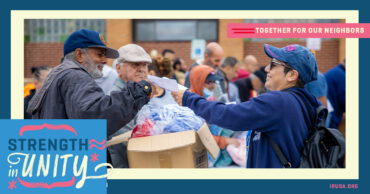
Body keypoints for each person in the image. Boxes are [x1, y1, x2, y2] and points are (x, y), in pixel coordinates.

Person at [172, 44, 321, 168]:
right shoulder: (305, 102)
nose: (266, 69)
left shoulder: (279, 102)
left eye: (274, 64)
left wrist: (188, 98)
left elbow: (228, 115)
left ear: (292, 75)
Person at [27, 29, 153, 138]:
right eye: (100, 54)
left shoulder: (62, 74)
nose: (105, 60)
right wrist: (139, 91)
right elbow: (96, 117)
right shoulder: (75, 76)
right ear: (79, 55)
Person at [108, 44, 176, 167]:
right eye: (135, 64)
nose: (141, 69)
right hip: (127, 175)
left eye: (144, 64)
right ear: (118, 68)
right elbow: (128, 143)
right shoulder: (116, 98)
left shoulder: (139, 93)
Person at [325, 60, 345, 131]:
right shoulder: (341, 75)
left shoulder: (334, 72)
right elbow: (344, 99)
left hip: (328, 112)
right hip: (332, 115)